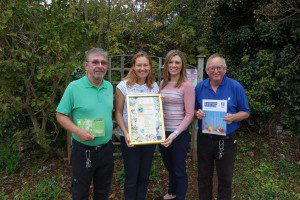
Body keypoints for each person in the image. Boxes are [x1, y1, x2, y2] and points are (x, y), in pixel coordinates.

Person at [56, 48, 114, 200]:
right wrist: (78, 131)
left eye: (103, 62)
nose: (99, 65)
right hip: (83, 151)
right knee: (80, 192)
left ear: (107, 66)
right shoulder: (74, 87)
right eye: (95, 62)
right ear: (86, 65)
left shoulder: (109, 86)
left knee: (103, 191)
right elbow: (60, 115)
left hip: (106, 149)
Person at [195, 53, 250, 200]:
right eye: (212, 68)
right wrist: (197, 113)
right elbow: (192, 110)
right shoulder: (200, 87)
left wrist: (234, 117)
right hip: (205, 138)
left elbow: (246, 112)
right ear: (206, 70)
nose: (216, 71)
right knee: (203, 176)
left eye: (219, 67)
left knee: (225, 177)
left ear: (225, 69)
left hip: (227, 139)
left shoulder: (235, 86)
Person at [115, 51, 159, 200]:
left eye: (145, 65)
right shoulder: (123, 86)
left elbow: (156, 113)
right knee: (132, 175)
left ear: (150, 67)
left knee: (145, 174)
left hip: (148, 138)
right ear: (133, 66)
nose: (142, 68)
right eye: (139, 65)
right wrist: (126, 133)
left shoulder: (154, 86)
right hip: (129, 137)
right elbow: (118, 113)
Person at [157, 50, 195, 200]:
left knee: (179, 169)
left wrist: (174, 134)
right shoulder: (162, 84)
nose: (173, 65)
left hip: (178, 134)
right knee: (169, 166)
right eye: (171, 62)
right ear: (166, 65)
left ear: (182, 65)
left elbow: (190, 114)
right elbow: (158, 107)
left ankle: (180, 196)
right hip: (162, 132)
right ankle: (172, 191)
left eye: (177, 62)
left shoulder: (187, 86)